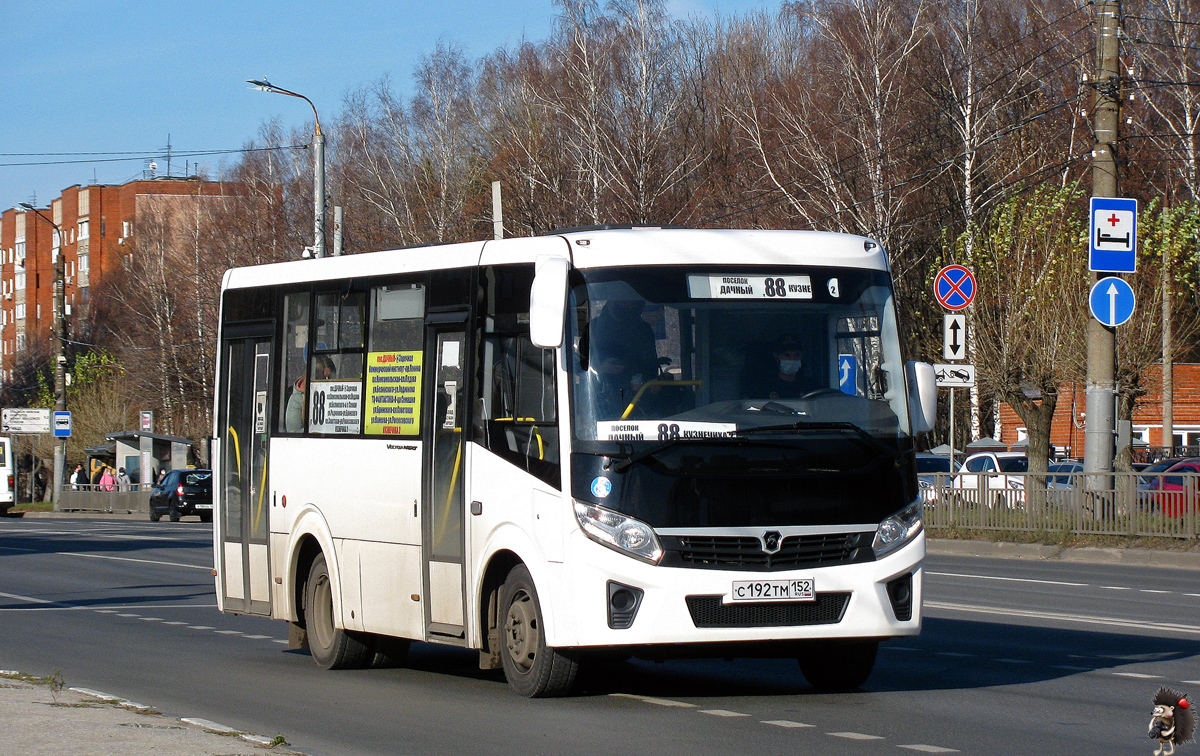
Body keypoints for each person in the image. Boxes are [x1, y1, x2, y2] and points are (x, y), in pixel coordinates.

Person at [585, 299, 661, 417]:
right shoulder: (593, 328)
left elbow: (651, 362)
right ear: (612, 301)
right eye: (623, 301)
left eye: (633, 302)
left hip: (642, 398)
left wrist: (655, 381)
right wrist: (600, 367)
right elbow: (577, 364)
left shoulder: (644, 329)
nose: (628, 306)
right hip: (603, 399)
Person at [745, 334, 811, 400]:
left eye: (797, 355)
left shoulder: (809, 386)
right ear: (776, 356)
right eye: (787, 355)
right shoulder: (763, 387)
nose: (792, 359)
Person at [285, 354, 336, 432]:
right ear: (313, 377)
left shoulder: (334, 395)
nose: (328, 381)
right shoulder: (297, 399)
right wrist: (317, 430)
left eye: (330, 377)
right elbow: (293, 432)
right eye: (325, 376)